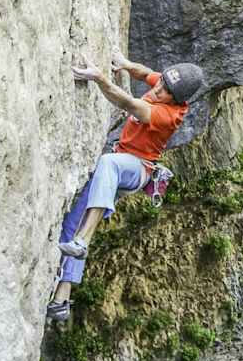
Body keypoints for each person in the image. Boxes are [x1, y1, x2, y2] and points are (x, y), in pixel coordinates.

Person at [45, 53, 204, 322]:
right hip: (123, 160)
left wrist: (100, 78)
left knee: (109, 163)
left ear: (176, 100)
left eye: (165, 90)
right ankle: (62, 299)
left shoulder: (166, 115)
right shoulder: (165, 86)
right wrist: (126, 65)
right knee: (71, 224)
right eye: (161, 82)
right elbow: (146, 73)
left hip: (137, 169)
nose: (158, 88)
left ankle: (83, 240)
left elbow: (128, 103)